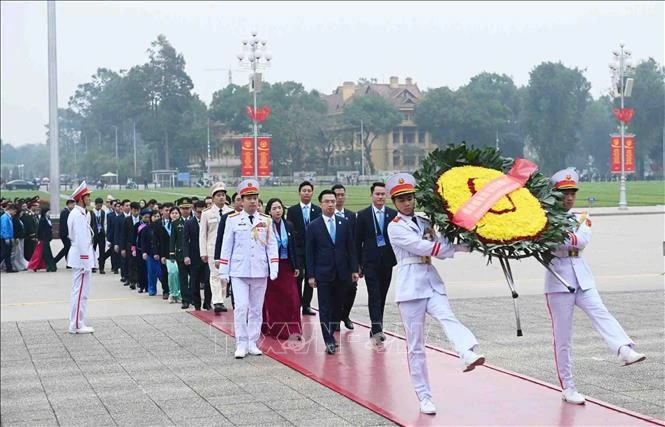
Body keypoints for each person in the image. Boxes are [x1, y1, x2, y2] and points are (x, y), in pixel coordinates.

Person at [385, 173, 484, 415]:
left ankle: (466, 352)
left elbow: (439, 245)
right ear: (394, 202)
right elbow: (424, 247)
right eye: (401, 199)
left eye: (409, 197)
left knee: (447, 317)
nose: (407, 203)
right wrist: (450, 247)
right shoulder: (394, 226)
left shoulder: (423, 221)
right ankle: (424, 396)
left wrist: (467, 244)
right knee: (416, 346)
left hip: (431, 281)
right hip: (410, 288)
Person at [545, 168, 646, 405]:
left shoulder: (582, 217)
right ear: (555, 195)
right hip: (558, 281)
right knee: (563, 338)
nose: (569, 197)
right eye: (564, 193)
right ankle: (568, 386)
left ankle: (624, 349)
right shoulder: (544, 218)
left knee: (601, 312)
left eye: (572, 193)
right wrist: (556, 233)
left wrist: (558, 235)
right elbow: (553, 241)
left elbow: (581, 240)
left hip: (582, 277)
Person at [218, 179, 278, 359]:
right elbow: (226, 245)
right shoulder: (233, 220)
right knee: (241, 307)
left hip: (260, 270)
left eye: (255, 198)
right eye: (248, 198)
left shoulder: (266, 221)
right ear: (241, 200)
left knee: (256, 309)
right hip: (239, 271)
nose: (252, 201)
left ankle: (252, 342)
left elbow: (271, 245)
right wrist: (223, 270)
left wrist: (273, 266)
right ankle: (241, 343)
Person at [305, 189, 359, 355]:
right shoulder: (314, 226)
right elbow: (310, 252)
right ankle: (328, 339)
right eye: (327, 201)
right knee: (325, 308)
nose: (330, 204)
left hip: (342, 272)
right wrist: (311, 275)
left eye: (332, 201)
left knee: (338, 305)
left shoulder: (344, 223)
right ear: (320, 204)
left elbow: (351, 248)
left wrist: (354, 269)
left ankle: (334, 329)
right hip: (323, 274)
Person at [356, 182, 398, 344]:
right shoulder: (363, 215)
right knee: (374, 294)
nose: (380, 197)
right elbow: (357, 241)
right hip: (370, 261)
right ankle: (377, 327)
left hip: (387, 261)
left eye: (383, 194)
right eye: (377, 194)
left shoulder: (393, 214)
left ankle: (377, 325)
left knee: (382, 294)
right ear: (372, 195)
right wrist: (358, 264)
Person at [261, 198, 303, 340]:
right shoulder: (265, 226)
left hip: (287, 266)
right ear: (269, 211)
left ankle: (293, 328)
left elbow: (294, 247)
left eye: (280, 208)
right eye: (274, 208)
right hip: (272, 267)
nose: (278, 211)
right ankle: (275, 328)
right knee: (274, 299)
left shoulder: (288, 225)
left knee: (292, 299)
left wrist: (297, 265)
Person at [286, 181, 321, 316]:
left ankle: (306, 305)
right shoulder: (293, 210)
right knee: (298, 277)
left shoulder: (317, 210)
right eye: (304, 190)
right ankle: (296, 304)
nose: (306, 193)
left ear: (312, 193)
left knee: (310, 278)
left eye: (309, 191)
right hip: (298, 249)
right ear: (299, 192)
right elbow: (290, 229)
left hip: (312, 249)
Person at [67, 181, 96, 334]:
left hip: (80, 256)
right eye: (87, 196)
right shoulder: (78, 215)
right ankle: (77, 324)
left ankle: (78, 322)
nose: (89, 199)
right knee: (80, 293)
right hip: (80, 257)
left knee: (80, 292)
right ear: (80, 198)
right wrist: (86, 261)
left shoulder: (80, 213)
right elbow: (81, 239)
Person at [200, 182, 232, 313]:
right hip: (212, 249)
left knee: (224, 277)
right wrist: (203, 252)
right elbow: (203, 234)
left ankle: (221, 301)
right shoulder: (206, 213)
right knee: (214, 275)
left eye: (223, 195)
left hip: (227, 249)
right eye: (218, 195)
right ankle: (217, 301)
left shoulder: (231, 212)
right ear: (213, 198)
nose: (221, 198)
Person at [331, 184, 357, 331]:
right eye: (337, 195)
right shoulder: (326, 215)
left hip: (347, 262)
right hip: (331, 262)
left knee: (351, 289)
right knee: (335, 291)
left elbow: (354, 241)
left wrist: (356, 264)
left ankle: (345, 315)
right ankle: (334, 319)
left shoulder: (351, 216)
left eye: (342, 195)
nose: (340, 198)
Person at [213, 191, 243, 309]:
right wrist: (217, 258)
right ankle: (236, 306)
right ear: (233, 203)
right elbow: (220, 239)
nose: (241, 203)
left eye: (242, 199)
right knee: (233, 283)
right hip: (231, 257)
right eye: (238, 200)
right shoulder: (227, 217)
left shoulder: (254, 217)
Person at [183, 200, 212, 310]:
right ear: (194, 210)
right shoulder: (189, 223)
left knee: (209, 280)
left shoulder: (210, 221)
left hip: (208, 256)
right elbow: (185, 241)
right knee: (194, 282)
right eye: (198, 212)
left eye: (202, 211)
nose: (200, 214)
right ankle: (197, 303)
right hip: (194, 256)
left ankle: (208, 302)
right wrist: (186, 256)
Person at [28, 206, 57, 272]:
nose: (49, 213)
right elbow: (40, 230)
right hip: (44, 239)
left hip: (47, 239)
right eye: (48, 212)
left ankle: (49, 266)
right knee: (46, 254)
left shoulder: (48, 219)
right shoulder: (42, 220)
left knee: (46, 253)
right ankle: (50, 266)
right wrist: (40, 239)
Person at [119, 201, 140, 289]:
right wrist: (122, 248)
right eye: (134, 210)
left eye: (138, 210)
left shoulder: (142, 219)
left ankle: (139, 280)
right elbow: (123, 235)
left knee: (139, 263)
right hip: (129, 245)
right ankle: (132, 280)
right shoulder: (126, 220)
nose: (136, 212)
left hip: (139, 245)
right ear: (131, 210)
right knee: (130, 263)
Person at [165, 206, 183, 304]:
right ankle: (172, 293)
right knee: (172, 273)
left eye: (176, 213)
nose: (174, 215)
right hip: (168, 254)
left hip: (180, 253)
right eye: (173, 213)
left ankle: (179, 294)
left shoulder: (182, 224)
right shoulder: (165, 225)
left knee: (180, 273)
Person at [134, 208, 152, 293]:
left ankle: (148, 286)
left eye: (148, 217)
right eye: (145, 217)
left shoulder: (151, 225)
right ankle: (141, 285)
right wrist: (133, 248)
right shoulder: (138, 225)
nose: (147, 219)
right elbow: (134, 237)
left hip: (149, 250)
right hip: (139, 249)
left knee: (148, 269)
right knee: (140, 268)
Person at [54, 199, 75, 267]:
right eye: (73, 204)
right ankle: (55, 260)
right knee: (67, 247)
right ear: (68, 204)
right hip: (65, 234)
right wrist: (68, 234)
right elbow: (65, 225)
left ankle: (68, 263)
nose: (74, 206)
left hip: (65, 234)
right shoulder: (65, 212)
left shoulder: (67, 212)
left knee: (67, 247)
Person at [90, 197, 107, 274]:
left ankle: (101, 268)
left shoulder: (103, 212)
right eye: (98, 205)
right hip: (93, 234)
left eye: (101, 205)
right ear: (95, 204)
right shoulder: (90, 212)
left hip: (101, 234)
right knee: (92, 251)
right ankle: (92, 266)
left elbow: (105, 223)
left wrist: (105, 232)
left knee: (102, 251)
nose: (99, 207)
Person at [21, 197, 40, 262]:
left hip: (34, 236)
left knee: (33, 250)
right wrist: (33, 235)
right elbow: (29, 226)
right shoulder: (28, 215)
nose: (38, 208)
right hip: (29, 237)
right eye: (36, 206)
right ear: (32, 206)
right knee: (29, 250)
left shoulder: (33, 214)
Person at [0, 203, 17, 273]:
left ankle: (9, 268)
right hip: (5, 238)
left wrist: (11, 237)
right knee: (3, 254)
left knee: (8, 254)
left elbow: (10, 229)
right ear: (11, 210)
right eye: (14, 211)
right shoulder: (4, 217)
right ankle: (9, 268)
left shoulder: (9, 217)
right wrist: (7, 237)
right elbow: (4, 228)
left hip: (9, 238)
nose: (15, 213)